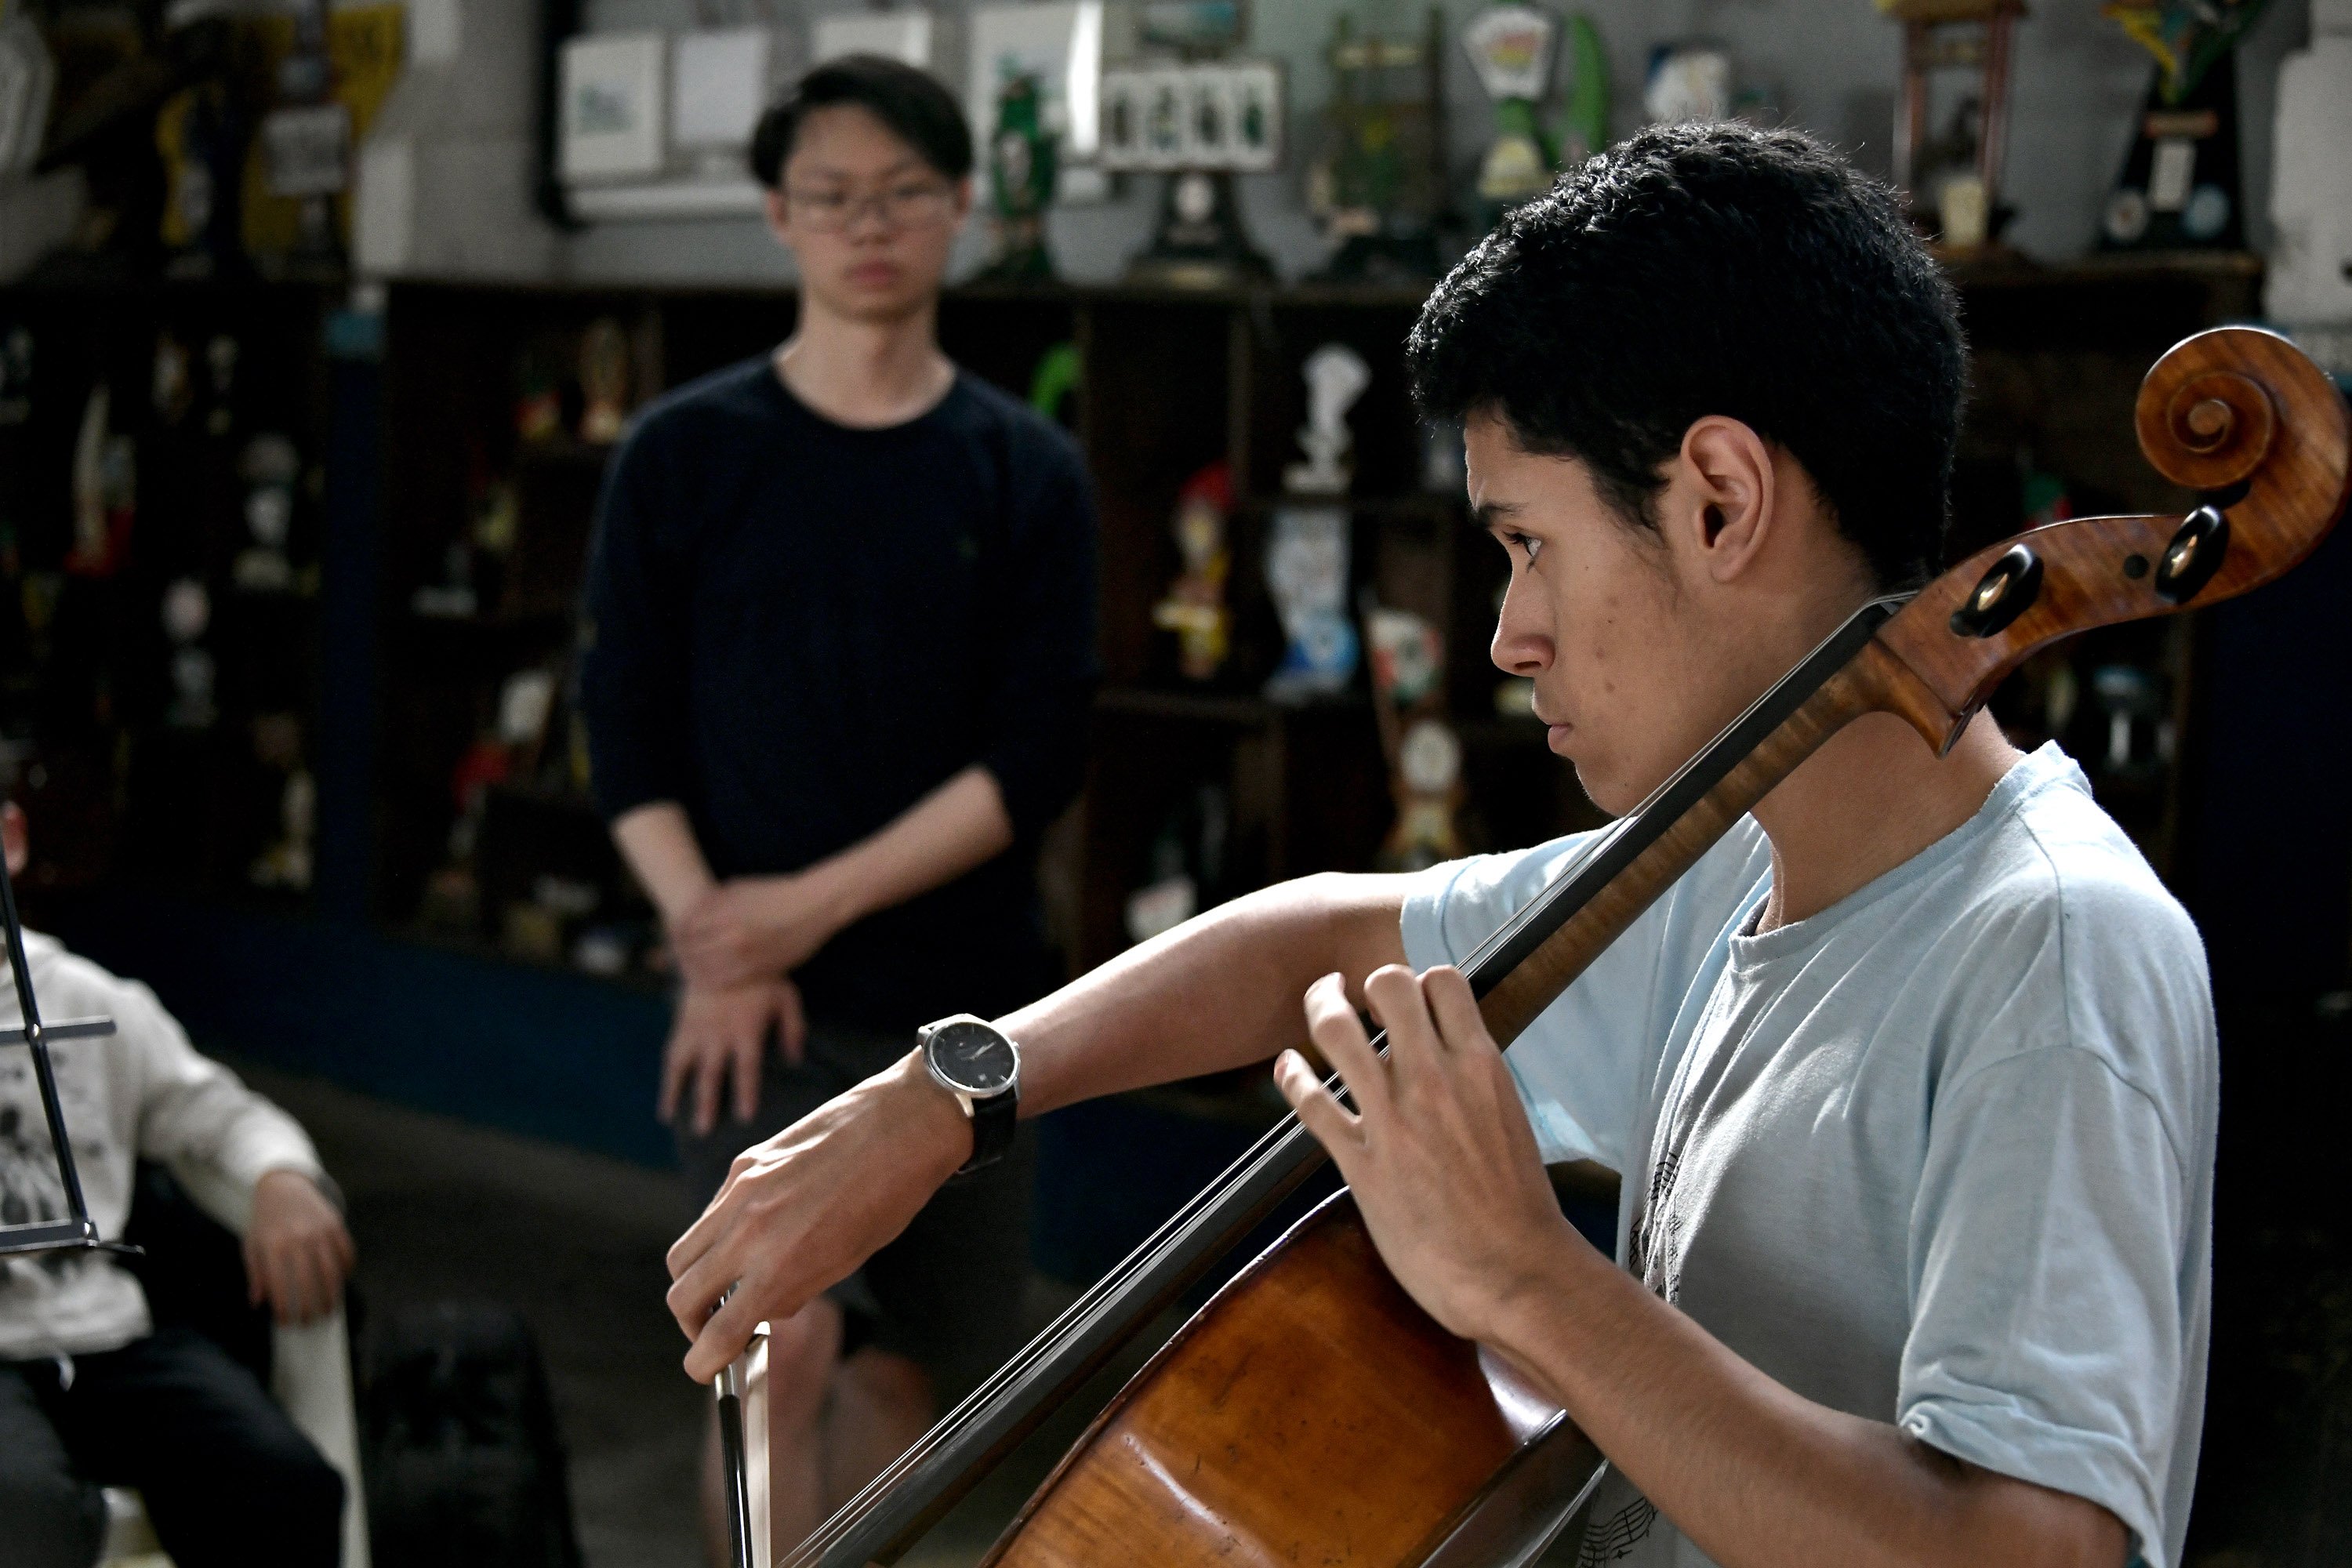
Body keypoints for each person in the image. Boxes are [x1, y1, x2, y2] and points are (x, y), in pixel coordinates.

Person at [666, 122, 2216, 1568]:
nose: (1507, 634)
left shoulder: (2052, 948)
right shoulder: (1721, 874)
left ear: (1722, 499)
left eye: (1529, 542)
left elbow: (2041, 1547)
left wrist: (1533, 1284)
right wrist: (942, 1099)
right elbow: (1314, 943)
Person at [577, 54, 1098, 1555]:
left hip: (967, 1009)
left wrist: (772, 924)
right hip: (754, 1012)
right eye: (832, 198)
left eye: (903, 196)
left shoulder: (1025, 472)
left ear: (956, 211)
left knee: (906, 1383)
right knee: (770, 1345)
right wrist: (714, 945)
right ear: (777, 216)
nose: (868, 225)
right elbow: (625, 732)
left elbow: (1029, 766)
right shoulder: (685, 455)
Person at [0, 802, 353, 1568]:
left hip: (101, 1335)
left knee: (285, 1483)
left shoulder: (89, 999)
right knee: (28, 1511)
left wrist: (280, 1176)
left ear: (13, 840)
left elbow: (223, 1114)